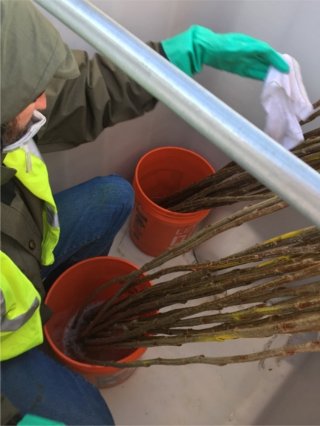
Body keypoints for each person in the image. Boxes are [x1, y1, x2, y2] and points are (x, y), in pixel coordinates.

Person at [0, 0, 289, 424]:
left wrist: (174, 58)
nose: (42, 100)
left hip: (19, 261)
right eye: (28, 96)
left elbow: (76, 94)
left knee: (114, 197)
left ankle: (59, 297)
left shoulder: (11, 110)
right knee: (95, 420)